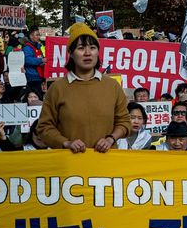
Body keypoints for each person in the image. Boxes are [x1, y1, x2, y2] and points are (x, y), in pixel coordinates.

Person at [35, 22, 129, 153]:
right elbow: (44, 127)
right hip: (70, 166)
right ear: (71, 54)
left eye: (92, 47)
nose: (87, 53)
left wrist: (110, 139)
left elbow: (124, 122)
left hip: (107, 165)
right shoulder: (57, 88)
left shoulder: (112, 86)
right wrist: (66, 143)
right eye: (80, 48)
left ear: (98, 52)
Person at [21, 27, 46, 96]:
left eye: (39, 35)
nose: (39, 37)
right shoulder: (27, 48)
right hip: (32, 77)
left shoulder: (38, 47)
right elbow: (27, 60)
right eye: (37, 35)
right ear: (31, 36)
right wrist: (41, 60)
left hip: (39, 75)